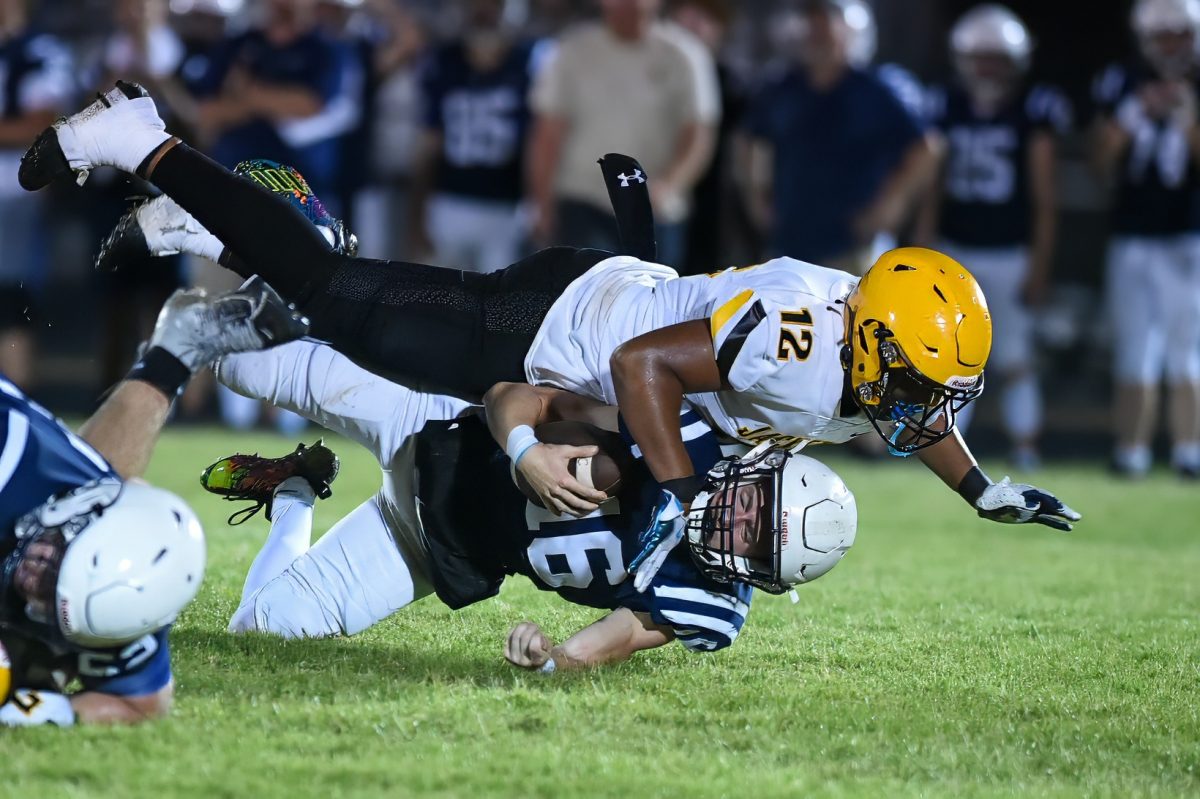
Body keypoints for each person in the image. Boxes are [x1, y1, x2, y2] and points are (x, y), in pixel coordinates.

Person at [18, 85, 1081, 581]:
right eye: (914, 379)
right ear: (869, 341)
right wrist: (681, 491)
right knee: (343, 300)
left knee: (349, 310)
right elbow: (641, 366)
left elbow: (910, 410)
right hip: (552, 324)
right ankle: (144, 139)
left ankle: (210, 225)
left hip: (598, 307)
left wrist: (977, 485)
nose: (923, 405)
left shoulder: (865, 350)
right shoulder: (802, 344)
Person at [200, 337, 856, 669]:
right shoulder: (679, 437)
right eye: (753, 507)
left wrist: (551, 657)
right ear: (758, 470)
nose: (733, 524)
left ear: (765, 577)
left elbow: (615, 638)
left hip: (435, 546)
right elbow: (521, 395)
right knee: (234, 359)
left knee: (260, 631)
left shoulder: (707, 605)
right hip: (432, 429)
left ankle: (295, 487)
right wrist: (523, 450)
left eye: (754, 539)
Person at [0, 278, 308, 727]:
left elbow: (142, 702)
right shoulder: (14, 464)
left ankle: (173, 356)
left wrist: (38, 712)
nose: (31, 581)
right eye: (53, 563)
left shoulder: (121, 599)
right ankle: (173, 357)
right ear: (73, 515)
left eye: (51, 591)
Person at [916, 5, 1072, 471]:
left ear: (1016, 61)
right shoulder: (944, 104)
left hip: (1010, 250)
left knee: (1015, 356)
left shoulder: (1035, 109)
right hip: (955, 250)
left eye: (997, 58)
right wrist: (924, 249)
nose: (987, 68)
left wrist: (1040, 265)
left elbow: (1045, 196)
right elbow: (932, 186)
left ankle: (1026, 448)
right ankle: (951, 454)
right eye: (980, 57)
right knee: (951, 362)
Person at [738, 0, 937, 274]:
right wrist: (756, 197)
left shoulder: (877, 90)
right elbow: (749, 139)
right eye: (812, 25)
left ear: (852, 31)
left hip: (854, 245)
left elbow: (927, 148)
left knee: (855, 315)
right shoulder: (781, 87)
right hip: (790, 241)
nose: (815, 33)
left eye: (825, 25)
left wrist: (891, 202)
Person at [1091, 0, 1200, 478]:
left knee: (1188, 350)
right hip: (1133, 233)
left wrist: (1185, 117)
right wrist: (1133, 118)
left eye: (1178, 33)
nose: (1170, 44)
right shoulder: (1121, 82)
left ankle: (1189, 452)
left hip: (1189, 234)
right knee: (1136, 348)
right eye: (1161, 34)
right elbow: (1100, 164)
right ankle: (1130, 451)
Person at [526, 0, 720, 267]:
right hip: (585, 203)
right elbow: (548, 133)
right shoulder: (572, 50)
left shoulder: (686, 54)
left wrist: (670, 185)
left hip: (655, 211)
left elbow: (698, 134)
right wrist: (542, 204)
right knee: (592, 301)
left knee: (654, 303)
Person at [408, 0, 543, 272]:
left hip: (507, 207)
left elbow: (539, 142)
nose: (484, 10)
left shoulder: (532, 61)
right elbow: (429, 144)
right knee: (440, 302)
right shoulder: (444, 61)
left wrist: (538, 204)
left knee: (500, 305)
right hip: (449, 202)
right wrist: (417, 213)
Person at [0, 0, 73, 388]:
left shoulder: (39, 51)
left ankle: (12, 404)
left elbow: (42, 124)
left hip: (13, 189)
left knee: (9, 301)